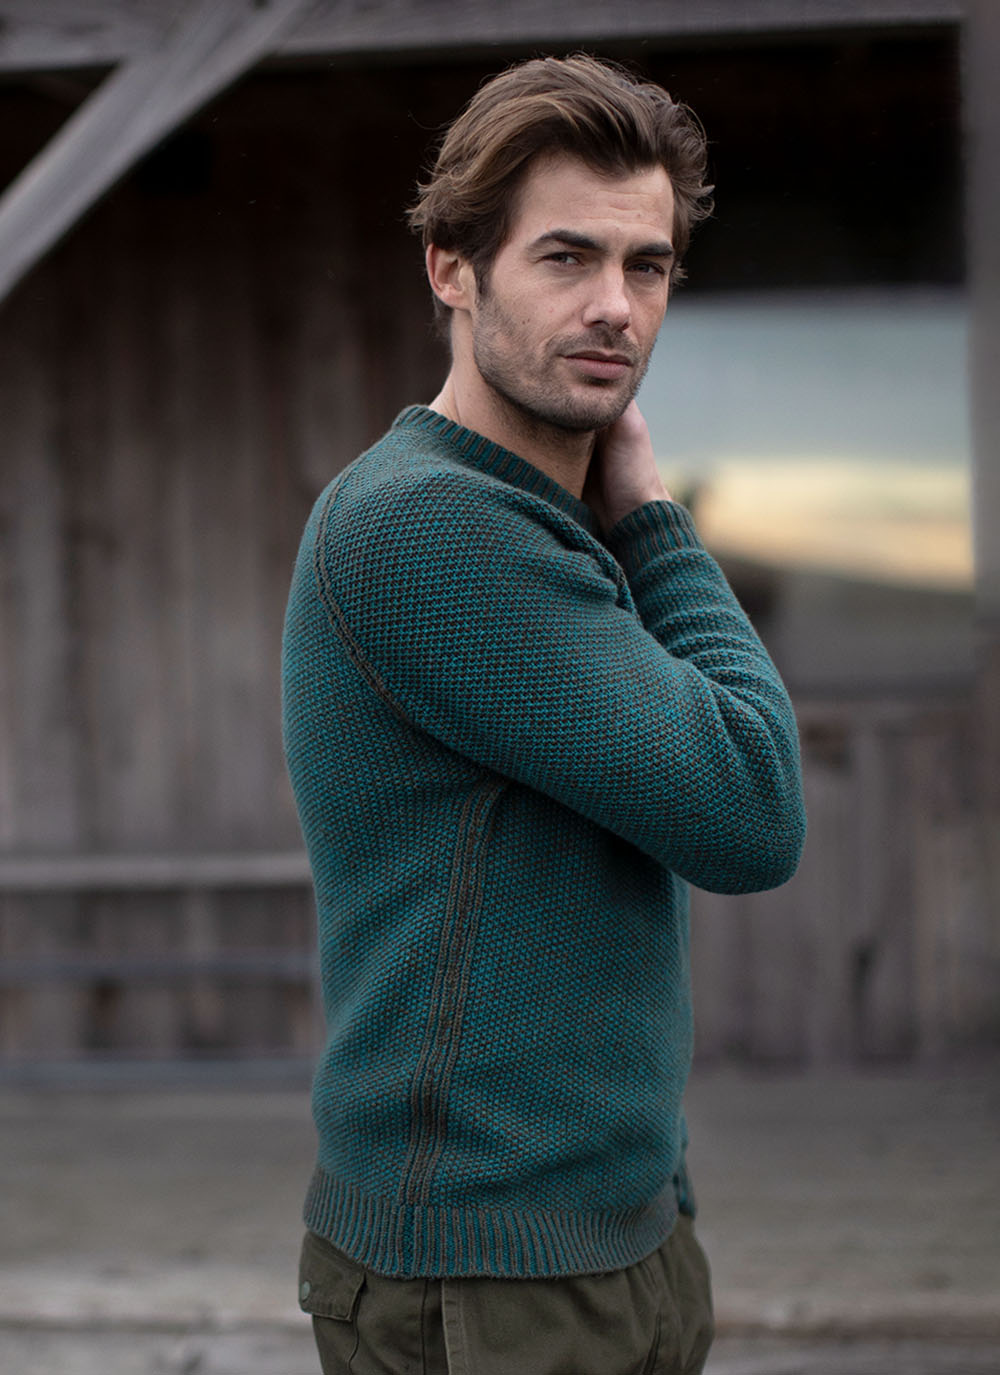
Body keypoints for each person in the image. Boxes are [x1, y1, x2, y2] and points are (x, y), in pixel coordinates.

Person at [282, 53, 806, 1375]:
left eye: (649, 266)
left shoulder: (534, 521)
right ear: (452, 269)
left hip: (613, 1235)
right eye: (566, 257)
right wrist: (656, 518)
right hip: (489, 1281)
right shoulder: (429, 528)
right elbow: (751, 808)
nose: (615, 306)